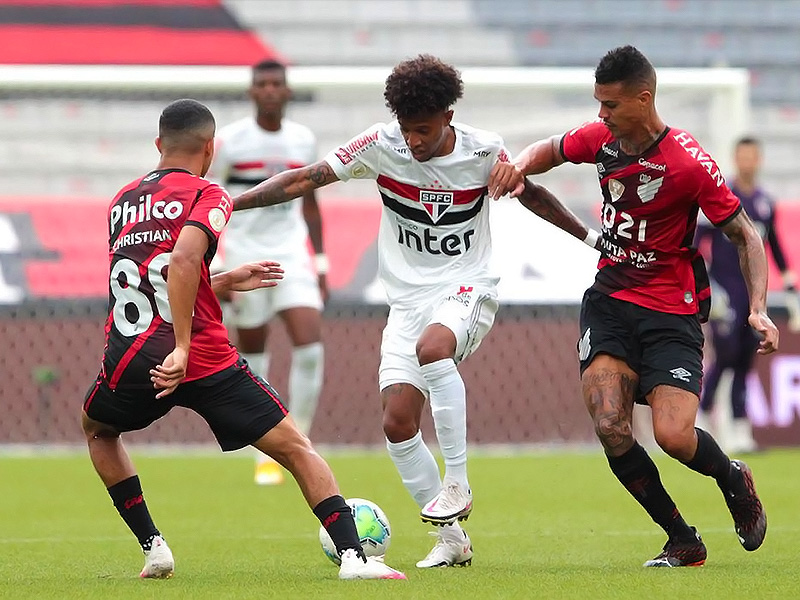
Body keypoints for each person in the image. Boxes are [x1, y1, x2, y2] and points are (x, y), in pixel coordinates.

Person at [231, 54, 598, 568]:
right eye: (407, 130)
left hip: (467, 286)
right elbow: (303, 180)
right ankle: (452, 541)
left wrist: (591, 239)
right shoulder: (381, 145)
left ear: (448, 116)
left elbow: (531, 195)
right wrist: (230, 204)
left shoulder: (483, 150)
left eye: (423, 130)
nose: (414, 142)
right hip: (405, 302)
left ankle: (457, 482)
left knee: (434, 348)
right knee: (398, 421)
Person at [80, 98, 405, 581]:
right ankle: (355, 559)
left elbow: (158, 282)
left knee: (98, 430)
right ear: (211, 148)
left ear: (158, 145)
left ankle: (154, 547)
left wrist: (224, 282)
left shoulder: (122, 200)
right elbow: (186, 262)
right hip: (203, 358)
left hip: (132, 357)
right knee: (298, 449)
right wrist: (185, 347)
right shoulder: (207, 194)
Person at [511, 46, 777, 567]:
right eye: (597, 104)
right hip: (610, 299)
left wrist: (758, 308)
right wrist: (518, 164)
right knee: (611, 426)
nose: (601, 116)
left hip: (670, 310)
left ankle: (731, 478)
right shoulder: (603, 140)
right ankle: (681, 536)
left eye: (609, 105)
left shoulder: (686, 162)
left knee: (673, 436)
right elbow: (552, 149)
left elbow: (746, 235)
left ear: (643, 98)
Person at [208, 59, 327, 486]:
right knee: (254, 353)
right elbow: (210, 201)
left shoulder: (303, 139)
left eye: (277, 83)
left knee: (310, 344)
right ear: (252, 92)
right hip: (244, 256)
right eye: (263, 84)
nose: (271, 90)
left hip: (292, 257)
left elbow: (310, 203)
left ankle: (301, 440)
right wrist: (218, 265)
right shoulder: (231, 141)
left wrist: (322, 261)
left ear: (288, 91)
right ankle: (268, 449)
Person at [696, 136, 797, 453]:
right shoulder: (723, 196)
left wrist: (789, 281)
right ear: (736, 159)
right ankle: (700, 417)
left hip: (753, 293)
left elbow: (774, 245)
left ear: (759, 160)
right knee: (724, 355)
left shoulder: (764, 202)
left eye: (753, 156)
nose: (748, 162)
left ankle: (740, 431)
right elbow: (698, 238)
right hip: (725, 290)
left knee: (744, 359)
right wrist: (701, 280)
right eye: (743, 156)